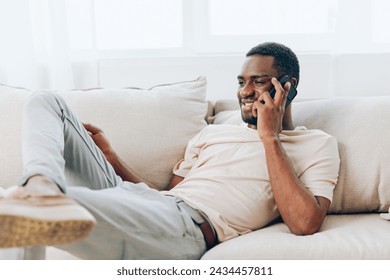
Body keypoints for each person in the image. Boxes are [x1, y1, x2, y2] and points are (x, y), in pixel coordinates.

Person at [0, 42, 340, 259]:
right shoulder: (211, 134)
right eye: (241, 82)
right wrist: (112, 159)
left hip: (189, 228)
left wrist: (270, 138)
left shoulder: (316, 144)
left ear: (288, 87)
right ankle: (41, 185)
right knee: (46, 100)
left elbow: (304, 223)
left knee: (32, 210)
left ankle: (39, 200)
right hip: (152, 206)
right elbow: (165, 197)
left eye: (259, 81)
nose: (245, 91)